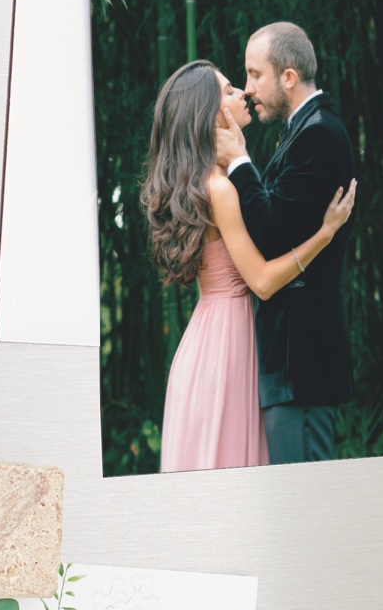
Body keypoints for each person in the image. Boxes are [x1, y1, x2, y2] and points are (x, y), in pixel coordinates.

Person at [140, 59, 356, 473]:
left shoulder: (206, 181)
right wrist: (324, 235)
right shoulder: (220, 189)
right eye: (227, 90)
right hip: (228, 343)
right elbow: (260, 280)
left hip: (207, 338)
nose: (243, 92)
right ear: (208, 114)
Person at [215, 22, 356, 464]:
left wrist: (239, 161)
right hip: (291, 363)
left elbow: (271, 231)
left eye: (256, 75)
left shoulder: (318, 135)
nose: (249, 88)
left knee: (308, 508)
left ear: (288, 77)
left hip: (304, 364)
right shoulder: (301, 131)